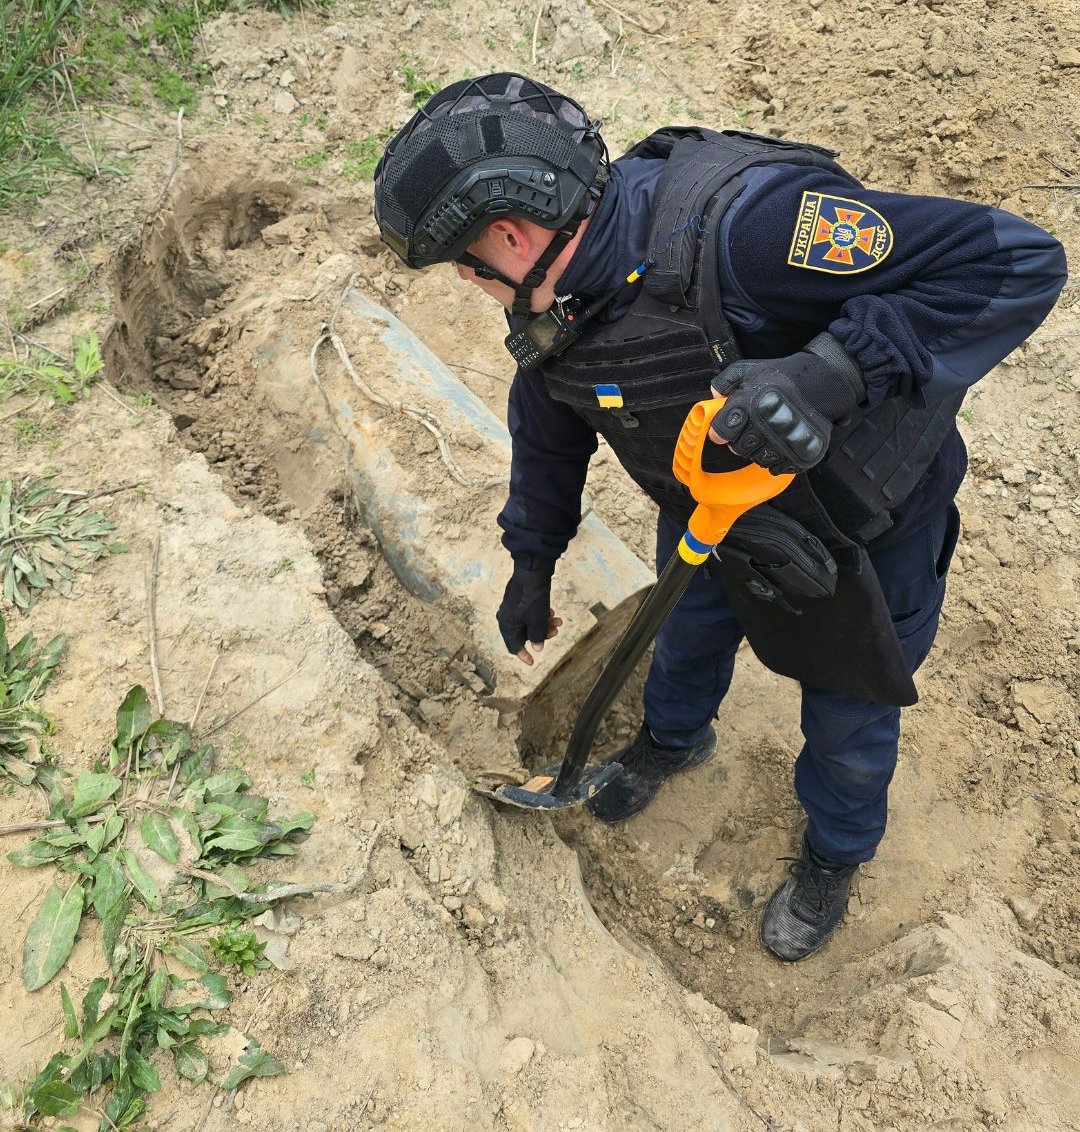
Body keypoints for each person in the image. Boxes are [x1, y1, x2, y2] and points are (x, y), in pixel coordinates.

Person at [373, 73, 1067, 961]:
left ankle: (835, 852)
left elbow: (1014, 260)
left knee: (848, 717)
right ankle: (672, 740)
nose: (474, 285)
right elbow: (549, 428)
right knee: (685, 640)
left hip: (861, 531)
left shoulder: (754, 234)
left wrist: (830, 373)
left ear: (513, 235)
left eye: (469, 267)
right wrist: (532, 562)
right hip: (710, 508)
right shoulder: (562, 303)